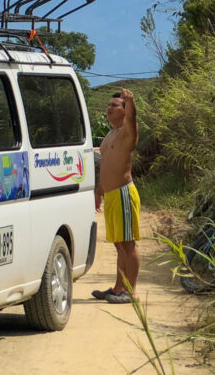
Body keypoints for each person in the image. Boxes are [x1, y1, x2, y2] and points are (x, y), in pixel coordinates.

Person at [90, 87, 140, 304]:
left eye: (115, 106)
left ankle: (132, 292)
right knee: (119, 245)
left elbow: (132, 118)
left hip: (123, 194)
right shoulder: (110, 134)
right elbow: (107, 166)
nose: (109, 108)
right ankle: (119, 287)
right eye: (108, 105)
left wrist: (131, 103)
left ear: (124, 110)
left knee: (128, 245)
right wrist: (99, 190)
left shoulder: (128, 132)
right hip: (110, 195)